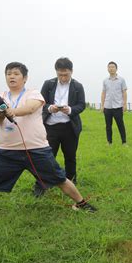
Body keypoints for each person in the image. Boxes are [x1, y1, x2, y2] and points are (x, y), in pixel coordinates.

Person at [0, 62, 96, 213]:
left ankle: (81, 203)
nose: (11, 77)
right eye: (8, 74)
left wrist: (11, 111)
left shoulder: (33, 94)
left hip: (36, 149)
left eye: (16, 74)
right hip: (7, 151)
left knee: (60, 179)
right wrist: (2, 112)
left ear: (25, 78)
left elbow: (30, 108)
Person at [32, 57, 85, 197]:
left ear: (71, 72)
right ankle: (41, 185)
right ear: (56, 72)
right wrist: (50, 108)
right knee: (47, 157)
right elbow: (41, 102)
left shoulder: (77, 86)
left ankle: (71, 182)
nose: (63, 77)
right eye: (60, 74)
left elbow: (81, 104)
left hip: (69, 127)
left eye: (66, 74)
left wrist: (71, 110)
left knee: (70, 157)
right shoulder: (48, 84)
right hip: (51, 127)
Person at [101, 61, 127, 145]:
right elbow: (103, 93)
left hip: (118, 106)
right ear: (107, 69)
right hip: (107, 106)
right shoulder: (105, 80)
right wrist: (102, 105)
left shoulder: (121, 80)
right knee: (108, 126)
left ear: (116, 69)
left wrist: (125, 104)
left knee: (120, 125)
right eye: (109, 67)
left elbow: (124, 92)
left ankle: (124, 142)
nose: (111, 68)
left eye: (113, 67)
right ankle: (109, 142)